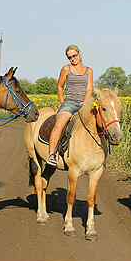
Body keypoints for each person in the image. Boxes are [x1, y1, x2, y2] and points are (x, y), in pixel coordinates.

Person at [42, 44, 94, 178]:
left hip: (84, 103)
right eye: (69, 57)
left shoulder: (89, 71)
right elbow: (60, 87)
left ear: (79, 54)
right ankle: (52, 155)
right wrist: (62, 102)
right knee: (59, 124)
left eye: (74, 56)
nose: (72, 59)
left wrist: (86, 104)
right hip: (69, 103)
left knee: (98, 121)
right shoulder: (66, 69)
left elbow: (89, 89)